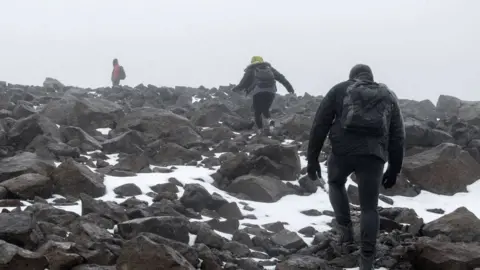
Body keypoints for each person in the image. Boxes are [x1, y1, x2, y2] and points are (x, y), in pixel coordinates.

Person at [306, 64, 405, 269]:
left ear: (352, 77)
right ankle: (367, 261)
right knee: (369, 207)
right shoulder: (388, 95)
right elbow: (398, 135)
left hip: (342, 152)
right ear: (371, 77)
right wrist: (394, 168)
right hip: (373, 155)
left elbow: (320, 124)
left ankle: (346, 234)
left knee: (335, 182)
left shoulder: (340, 89)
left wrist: (312, 158)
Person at [232, 56, 294, 134]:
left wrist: (235, 89)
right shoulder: (269, 68)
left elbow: (243, 83)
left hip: (258, 92)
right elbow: (281, 78)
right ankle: (270, 122)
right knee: (265, 109)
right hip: (271, 92)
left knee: (257, 112)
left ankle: (260, 130)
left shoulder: (252, 69)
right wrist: (289, 88)